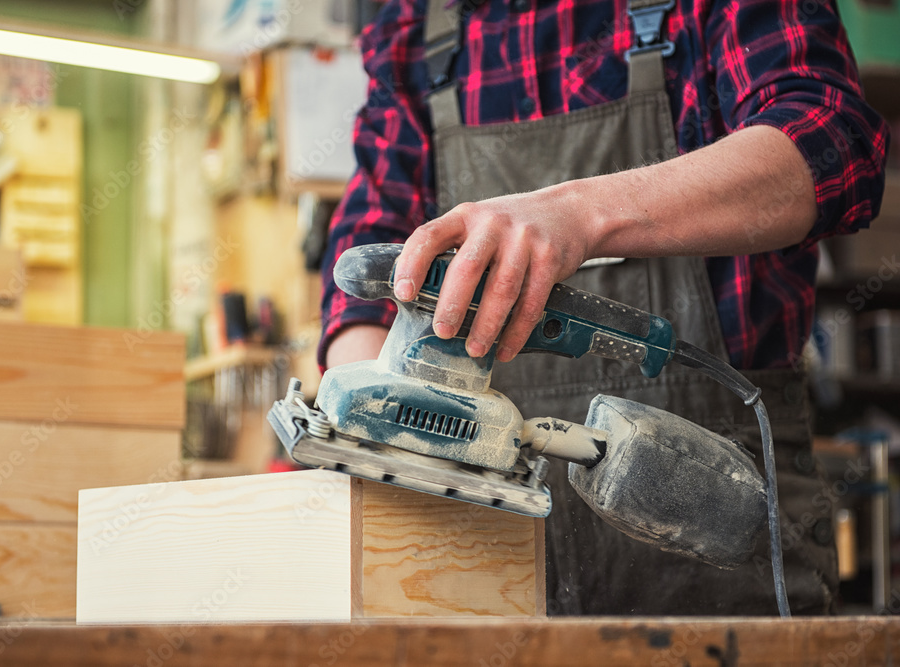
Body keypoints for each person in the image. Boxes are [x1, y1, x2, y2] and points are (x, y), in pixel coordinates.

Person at [319, 0, 889, 615]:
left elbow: (830, 143)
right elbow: (370, 249)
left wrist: (580, 214)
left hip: (711, 510)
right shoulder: (413, 26)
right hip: (473, 546)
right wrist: (374, 425)